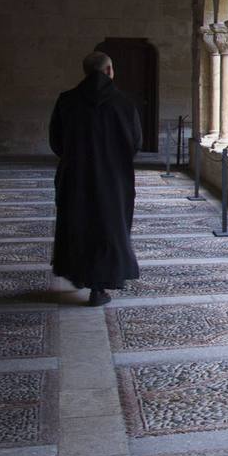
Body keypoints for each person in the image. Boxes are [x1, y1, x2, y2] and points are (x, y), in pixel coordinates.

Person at [49, 51, 142, 306]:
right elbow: (135, 143)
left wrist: (77, 159)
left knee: (78, 225)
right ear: (109, 71)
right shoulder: (124, 103)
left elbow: (56, 142)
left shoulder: (66, 101)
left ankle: (80, 274)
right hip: (114, 180)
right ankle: (99, 288)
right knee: (109, 228)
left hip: (75, 177)